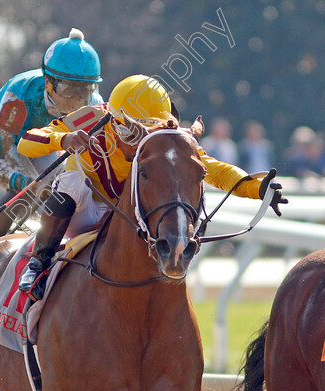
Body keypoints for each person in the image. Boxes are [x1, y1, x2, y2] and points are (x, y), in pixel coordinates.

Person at [15, 75, 287, 299]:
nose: (140, 141)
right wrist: (63, 140)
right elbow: (26, 140)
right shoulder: (89, 120)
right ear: (114, 118)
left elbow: (211, 168)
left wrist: (257, 188)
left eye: (149, 131)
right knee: (72, 182)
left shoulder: (166, 134)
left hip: (132, 214)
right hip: (87, 206)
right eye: (133, 131)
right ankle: (39, 260)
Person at [0, 28, 104, 240]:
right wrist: (28, 185)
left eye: (84, 91)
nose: (77, 102)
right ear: (48, 82)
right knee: (31, 189)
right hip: (2, 137)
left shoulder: (95, 105)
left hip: (41, 143)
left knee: (62, 187)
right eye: (68, 89)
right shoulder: (19, 96)